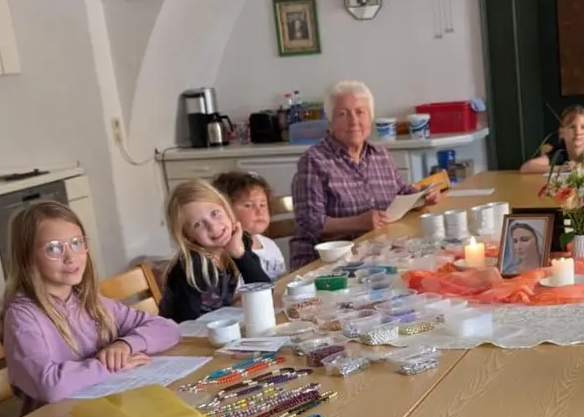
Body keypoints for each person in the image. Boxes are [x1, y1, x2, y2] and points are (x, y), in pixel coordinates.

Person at [0, 201, 180, 410]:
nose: (70, 257)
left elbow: (169, 329)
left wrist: (125, 346)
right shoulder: (22, 317)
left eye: (76, 243)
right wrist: (108, 365)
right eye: (53, 248)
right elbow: (49, 386)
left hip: (106, 407)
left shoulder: (90, 302)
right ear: (26, 257)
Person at [290, 80, 440, 268]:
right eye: (343, 114)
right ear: (330, 121)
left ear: (370, 117)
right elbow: (309, 224)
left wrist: (423, 195)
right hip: (325, 265)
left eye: (360, 112)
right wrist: (358, 222)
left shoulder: (380, 155)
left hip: (374, 256)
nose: (354, 121)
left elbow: (401, 192)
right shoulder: (314, 161)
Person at [162, 180, 272, 322]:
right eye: (198, 224)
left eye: (215, 213)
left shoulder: (238, 240)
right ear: (187, 235)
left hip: (219, 328)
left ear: (226, 209)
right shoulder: (192, 266)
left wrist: (240, 254)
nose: (213, 227)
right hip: (186, 336)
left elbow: (265, 292)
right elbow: (187, 322)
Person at [213, 171, 287, 280]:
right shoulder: (223, 255)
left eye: (263, 204)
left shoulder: (270, 246)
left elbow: (282, 284)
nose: (259, 211)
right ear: (225, 209)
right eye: (248, 205)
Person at [518, 105, 584, 173]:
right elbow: (526, 167)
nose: (578, 132)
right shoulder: (559, 152)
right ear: (562, 132)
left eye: (583, 127)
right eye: (572, 127)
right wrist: (562, 169)